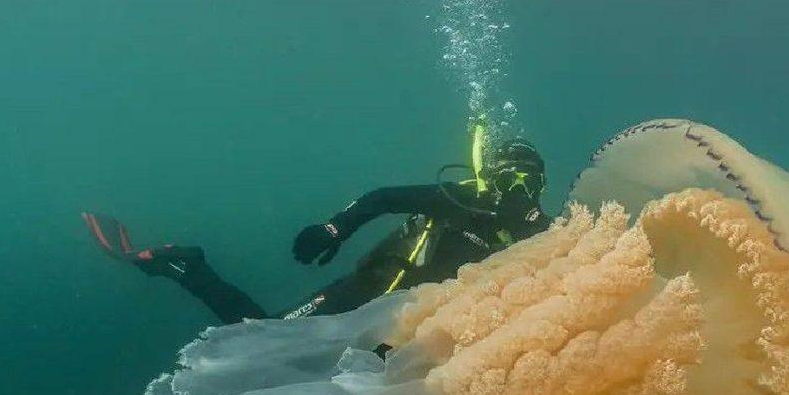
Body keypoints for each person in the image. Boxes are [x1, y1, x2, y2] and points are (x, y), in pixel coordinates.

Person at [84, 138, 551, 324]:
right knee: (263, 339)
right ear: (492, 173)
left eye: (530, 181)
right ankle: (189, 265)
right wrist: (334, 229)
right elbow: (383, 197)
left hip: (416, 328)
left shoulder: (542, 233)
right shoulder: (463, 197)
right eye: (511, 176)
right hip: (367, 290)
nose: (519, 188)